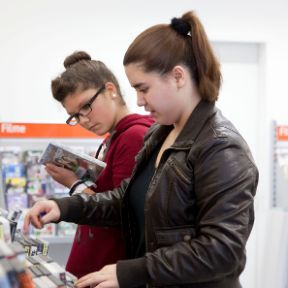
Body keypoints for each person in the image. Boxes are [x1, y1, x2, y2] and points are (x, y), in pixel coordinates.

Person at [24, 11, 259, 288]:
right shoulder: (160, 134)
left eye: (143, 88)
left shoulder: (220, 146)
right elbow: (126, 200)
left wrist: (133, 271)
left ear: (178, 77)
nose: (138, 100)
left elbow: (222, 251)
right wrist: (64, 207)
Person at [44, 51, 155, 278]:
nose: (83, 119)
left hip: (109, 269)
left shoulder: (134, 136)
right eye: (74, 115)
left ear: (110, 90)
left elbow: (121, 211)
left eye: (86, 107)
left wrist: (73, 183)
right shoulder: (113, 137)